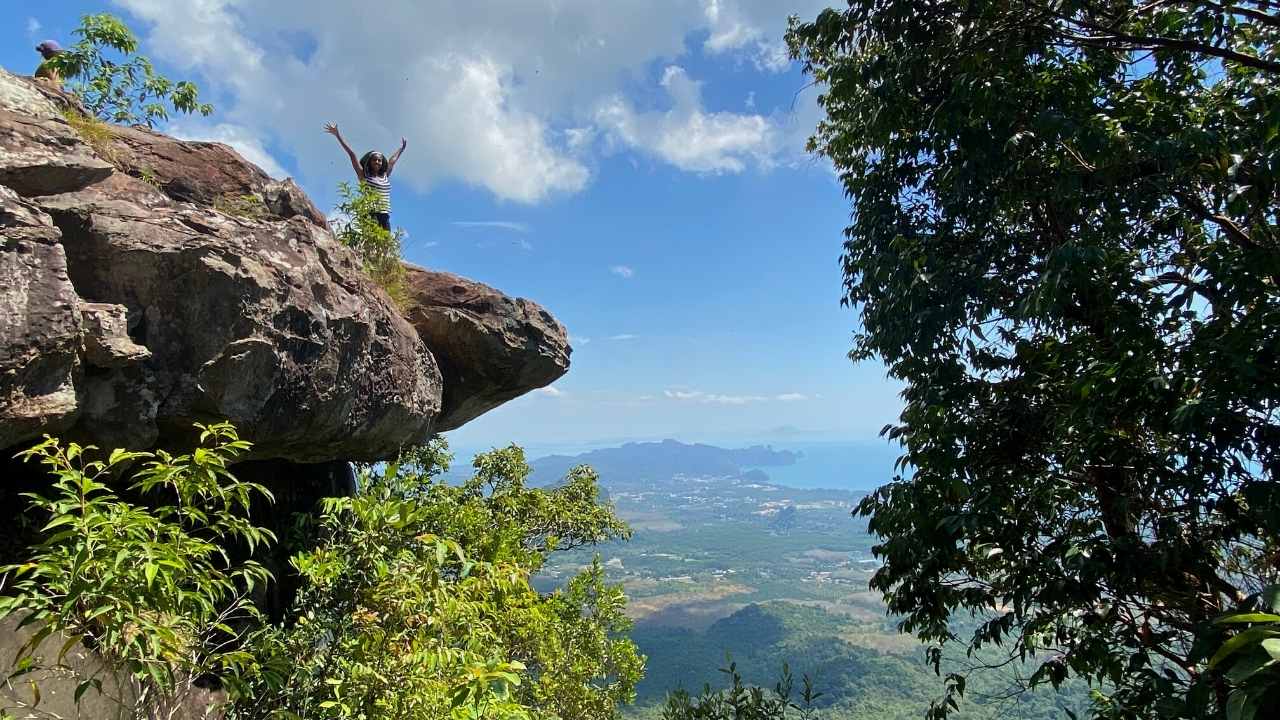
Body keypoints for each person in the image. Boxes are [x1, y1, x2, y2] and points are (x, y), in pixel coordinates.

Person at [323, 122, 406, 232]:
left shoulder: (385, 176)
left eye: (379, 160)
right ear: (370, 162)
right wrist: (338, 135)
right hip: (369, 213)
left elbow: (392, 161)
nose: (377, 162)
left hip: (384, 214)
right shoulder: (364, 176)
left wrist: (401, 149)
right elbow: (352, 154)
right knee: (370, 244)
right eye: (374, 160)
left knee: (385, 245)